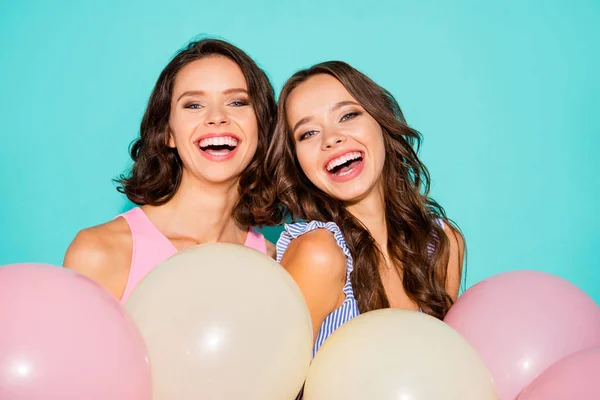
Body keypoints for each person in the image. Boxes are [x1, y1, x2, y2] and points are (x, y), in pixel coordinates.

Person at [256, 61, 465, 355]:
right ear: (297, 163)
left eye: (348, 115)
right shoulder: (318, 253)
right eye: (308, 133)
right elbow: (271, 383)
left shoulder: (443, 244)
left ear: (382, 122)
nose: (332, 138)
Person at [64, 38, 277, 303]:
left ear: (263, 127)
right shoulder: (101, 252)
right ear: (168, 133)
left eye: (237, 102)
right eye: (193, 105)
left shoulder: (272, 261)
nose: (217, 117)